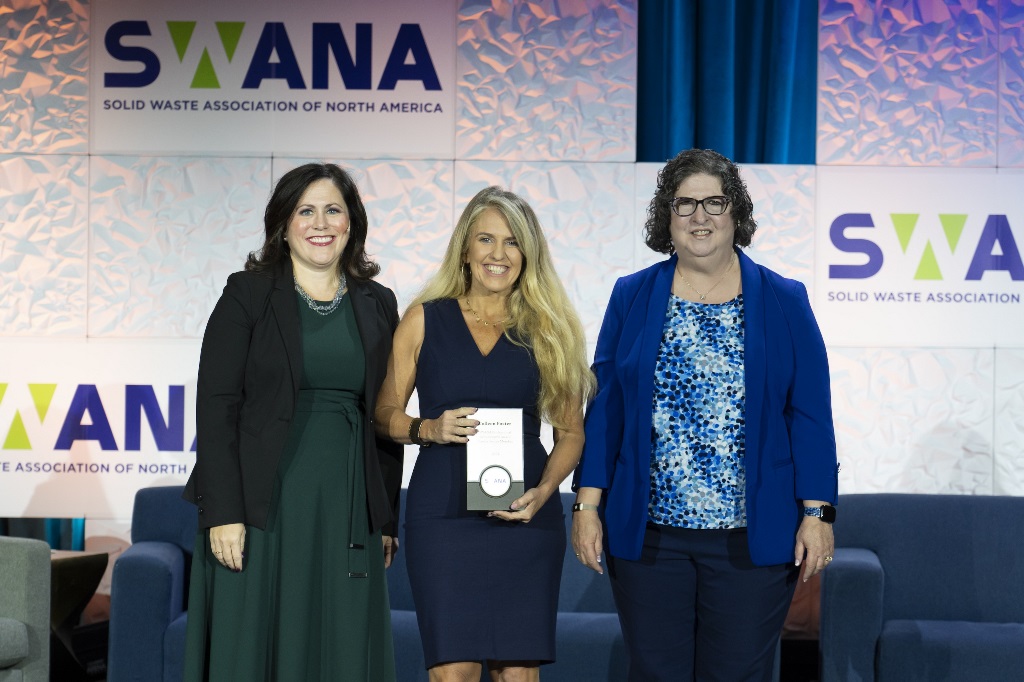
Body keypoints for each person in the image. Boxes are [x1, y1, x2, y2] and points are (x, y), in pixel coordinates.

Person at [572, 148, 838, 681]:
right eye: (685, 204)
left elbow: (809, 414)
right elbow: (606, 410)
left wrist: (819, 513)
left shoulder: (786, 299)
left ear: (735, 213)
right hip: (650, 541)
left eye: (714, 202)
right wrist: (586, 505)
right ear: (665, 218)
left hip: (751, 541)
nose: (700, 216)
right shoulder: (632, 295)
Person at [181, 163, 402, 681]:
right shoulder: (248, 293)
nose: (319, 222)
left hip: (346, 506)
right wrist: (224, 513)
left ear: (353, 224)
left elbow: (383, 415)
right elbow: (216, 405)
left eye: (333, 210)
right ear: (283, 224)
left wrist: (385, 516)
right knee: (249, 647)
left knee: (342, 645)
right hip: (259, 509)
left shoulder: (379, 303)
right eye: (305, 210)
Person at [375, 186, 594, 681]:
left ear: (528, 253)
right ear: (466, 249)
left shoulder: (549, 328)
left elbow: (572, 434)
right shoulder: (424, 318)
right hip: (443, 516)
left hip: (525, 515)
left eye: (512, 242)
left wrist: (544, 492)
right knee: (453, 671)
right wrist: (425, 428)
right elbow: (383, 413)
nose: (499, 254)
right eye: (486, 240)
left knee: (517, 672)